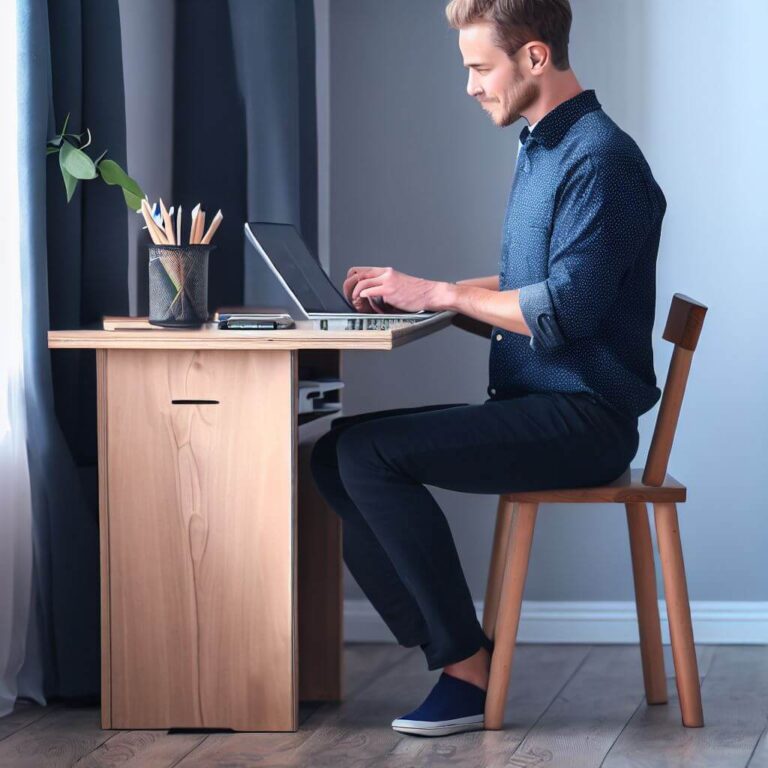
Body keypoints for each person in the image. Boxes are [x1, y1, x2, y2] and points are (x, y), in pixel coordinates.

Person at [310, 0, 666, 738]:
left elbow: (561, 313)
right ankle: (460, 651)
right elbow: (525, 291)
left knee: (366, 455)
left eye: (480, 67)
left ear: (535, 58)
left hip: (586, 419)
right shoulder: (542, 147)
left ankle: (466, 670)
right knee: (336, 455)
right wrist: (416, 297)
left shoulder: (601, 160)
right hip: (543, 403)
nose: (470, 85)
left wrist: (440, 295)